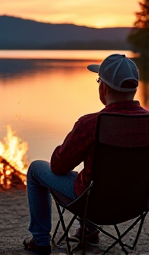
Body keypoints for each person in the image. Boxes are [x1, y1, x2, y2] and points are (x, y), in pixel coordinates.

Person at [23, 54, 149, 255]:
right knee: (92, 174)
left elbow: (58, 166)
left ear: (104, 88)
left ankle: (39, 241)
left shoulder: (91, 124)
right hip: (136, 205)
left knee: (37, 169)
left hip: (94, 205)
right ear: (134, 89)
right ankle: (88, 232)